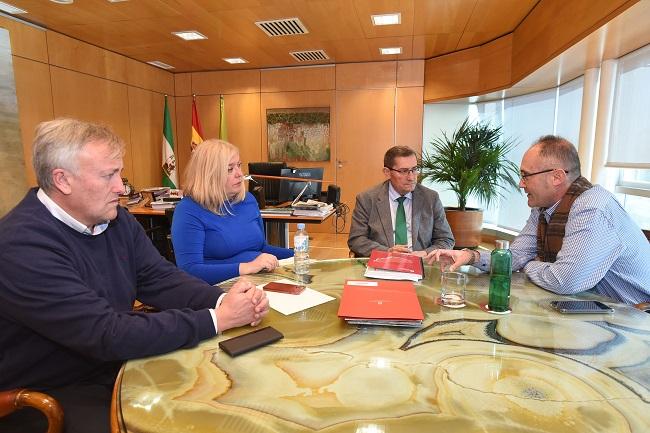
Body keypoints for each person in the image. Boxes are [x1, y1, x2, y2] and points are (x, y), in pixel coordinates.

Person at [0, 119, 269, 433]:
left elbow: (160, 278)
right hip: (52, 391)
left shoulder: (115, 220)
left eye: (119, 173)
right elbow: (106, 333)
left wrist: (225, 299)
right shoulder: (22, 246)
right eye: (109, 175)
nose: (121, 187)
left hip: (116, 363)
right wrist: (217, 319)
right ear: (62, 180)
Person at [427, 135, 650, 305]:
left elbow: (565, 281)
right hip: (592, 308)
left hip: (637, 316)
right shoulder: (542, 209)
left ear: (557, 177)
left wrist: (529, 265)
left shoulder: (592, 208)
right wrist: (470, 255)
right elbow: (516, 256)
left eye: (525, 175)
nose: (520, 184)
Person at [172, 139, 293, 285]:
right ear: (209, 174)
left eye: (239, 166)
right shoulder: (188, 210)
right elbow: (190, 270)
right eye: (230, 169)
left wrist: (300, 255)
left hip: (259, 281)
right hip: (219, 291)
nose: (239, 174)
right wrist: (247, 267)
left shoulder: (248, 200)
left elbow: (261, 248)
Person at [348, 145, 454, 257]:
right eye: (404, 171)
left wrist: (425, 253)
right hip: (382, 264)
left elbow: (446, 239)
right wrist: (387, 252)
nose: (411, 177)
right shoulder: (367, 199)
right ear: (387, 172)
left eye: (414, 169)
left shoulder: (431, 198)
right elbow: (356, 240)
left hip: (421, 264)